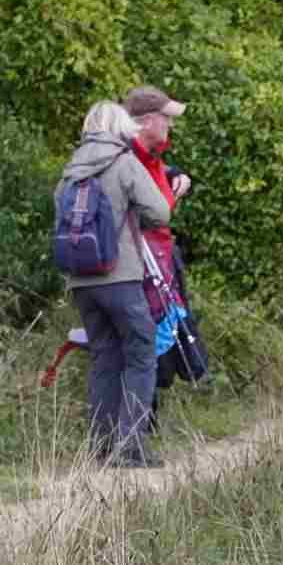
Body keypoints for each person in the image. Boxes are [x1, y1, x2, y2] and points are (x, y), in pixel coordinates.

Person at [55, 101, 172, 466]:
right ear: (120, 128)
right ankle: (130, 448)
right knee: (142, 351)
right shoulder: (124, 162)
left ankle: (101, 446)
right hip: (119, 274)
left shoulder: (71, 169)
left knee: (105, 355)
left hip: (80, 279)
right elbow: (160, 211)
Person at [124, 85, 196, 394]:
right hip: (141, 267)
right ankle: (135, 429)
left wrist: (174, 174)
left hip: (162, 258)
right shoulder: (127, 158)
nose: (171, 125)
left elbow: (157, 170)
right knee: (149, 353)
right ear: (148, 121)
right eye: (167, 118)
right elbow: (152, 213)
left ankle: (141, 427)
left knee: (163, 352)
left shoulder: (150, 156)